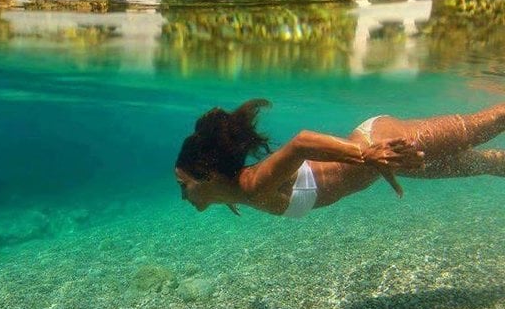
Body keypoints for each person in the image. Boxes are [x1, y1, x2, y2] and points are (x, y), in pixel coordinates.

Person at [174, 99, 505, 217]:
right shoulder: (229, 189)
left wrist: (369, 155)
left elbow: (302, 142)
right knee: (483, 163)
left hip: (378, 143)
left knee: (480, 125)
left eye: (183, 185)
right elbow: (217, 192)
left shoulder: (251, 184)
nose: (182, 195)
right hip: (378, 162)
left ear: (208, 175)